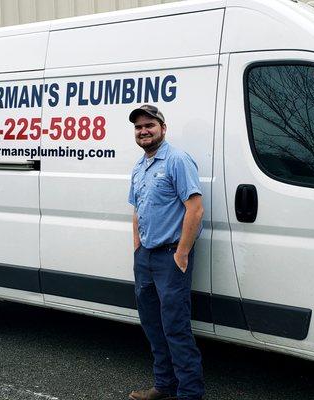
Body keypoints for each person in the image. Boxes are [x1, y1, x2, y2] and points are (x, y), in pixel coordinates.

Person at [128, 104, 205, 400]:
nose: (144, 131)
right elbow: (137, 211)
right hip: (145, 257)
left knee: (175, 327)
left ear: (163, 127)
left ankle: (189, 393)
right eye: (138, 127)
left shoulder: (177, 160)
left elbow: (195, 209)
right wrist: (137, 249)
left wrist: (182, 254)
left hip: (171, 256)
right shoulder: (140, 166)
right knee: (153, 326)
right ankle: (164, 385)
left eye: (149, 125)